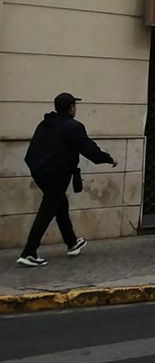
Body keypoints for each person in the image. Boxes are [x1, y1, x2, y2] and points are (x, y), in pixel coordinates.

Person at [18, 93, 116, 267]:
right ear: (71, 108)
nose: (75, 108)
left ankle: (72, 242)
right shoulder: (73, 127)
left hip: (39, 172)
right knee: (48, 210)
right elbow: (89, 150)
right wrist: (108, 159)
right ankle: (29, 252)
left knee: (60, 205)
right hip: (56, 174)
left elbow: (34, 148)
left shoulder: (45, 124)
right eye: (74, 106)